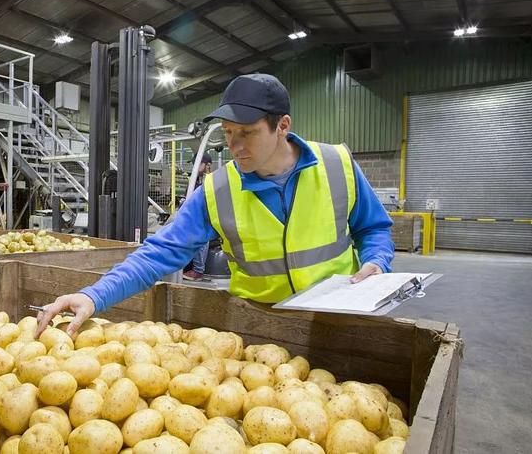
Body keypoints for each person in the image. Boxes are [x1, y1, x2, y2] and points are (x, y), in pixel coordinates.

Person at [36, 73, 394, 337]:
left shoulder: (336, 164)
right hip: (258, 329)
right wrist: (93, 296)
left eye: (247, 132)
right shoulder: (218, 190)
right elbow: (158, 254)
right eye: (228, 132)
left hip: (336, 323)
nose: (235, 146)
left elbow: (373, 228)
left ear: (282, 125)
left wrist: (377, 262)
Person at [183, 153, 212, 281]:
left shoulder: (212, 181)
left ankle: (198, 270)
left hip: (209, 220)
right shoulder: (194, 180)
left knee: (201, 232)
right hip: (195, 216)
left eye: (198, 163)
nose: (194, 167)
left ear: (207, 165)